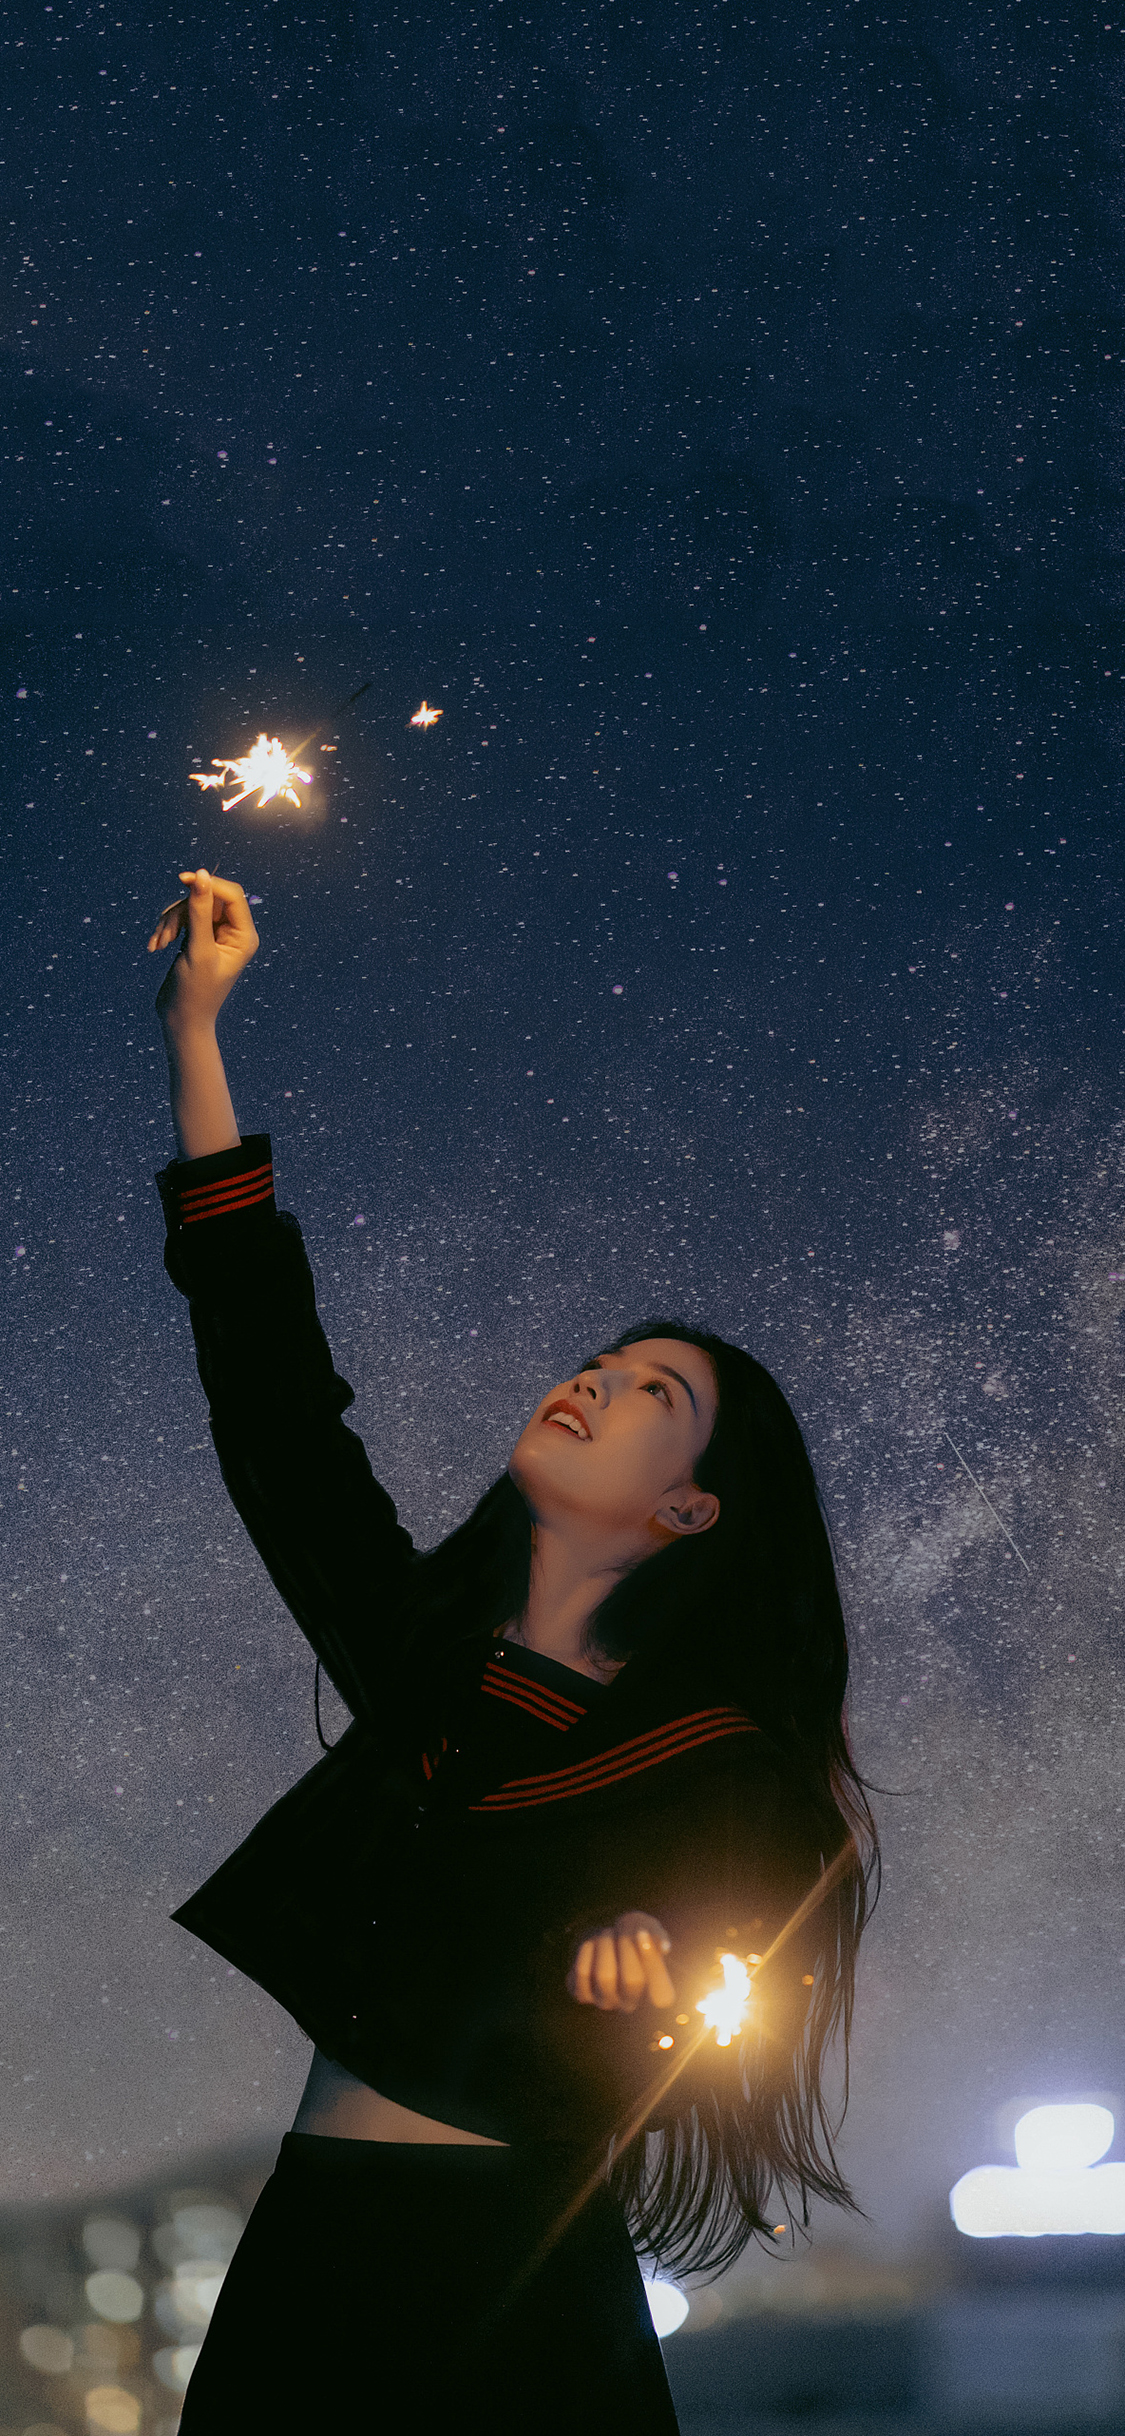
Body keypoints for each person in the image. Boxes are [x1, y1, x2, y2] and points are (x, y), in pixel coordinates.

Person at [146, 866, 878, 2434]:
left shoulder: (710, 1750)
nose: (596, 1384)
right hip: (314, 2236)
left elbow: (749, 1928)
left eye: (650, 1397)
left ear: (688, 1510)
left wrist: (669, 1953)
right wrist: (197, 1036)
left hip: (510, 2274)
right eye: (601, 1363)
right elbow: (272, 1404)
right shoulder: (426, 1655)